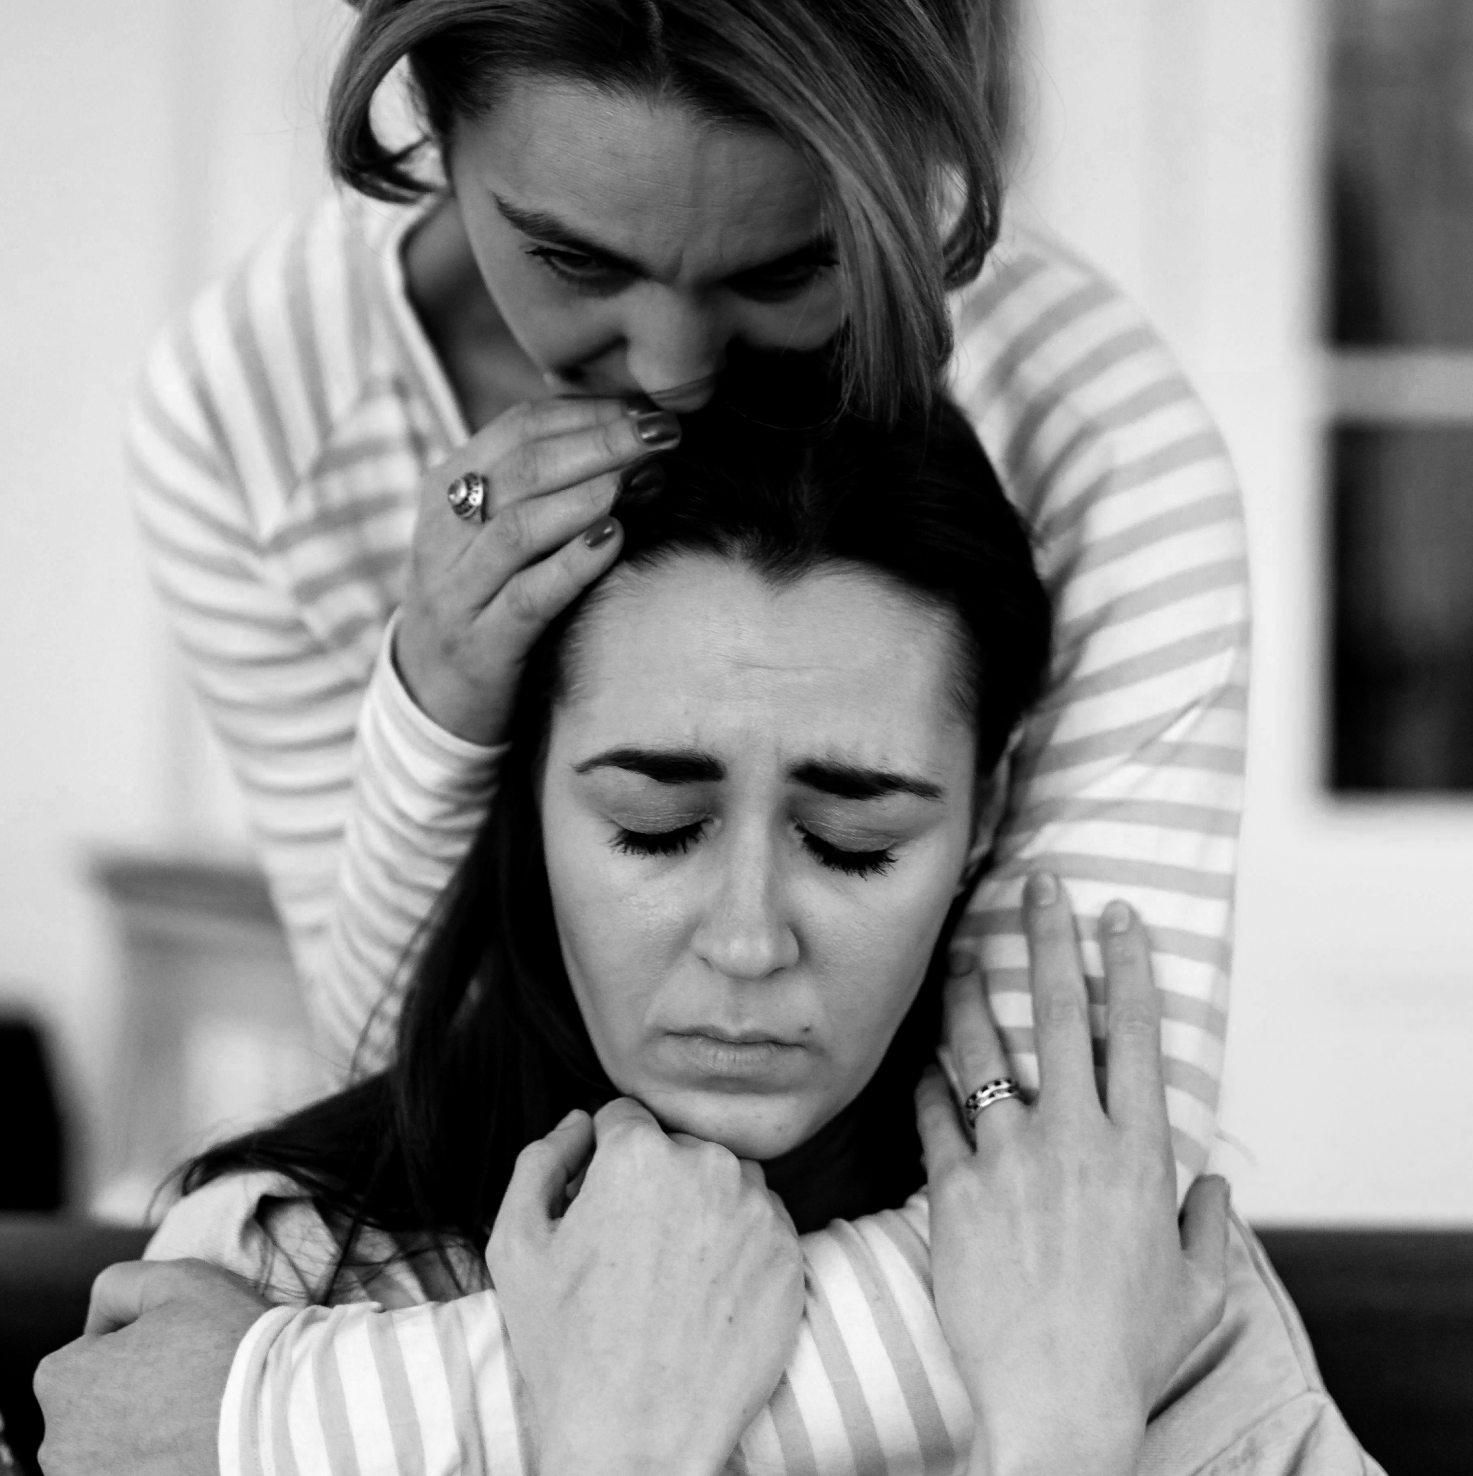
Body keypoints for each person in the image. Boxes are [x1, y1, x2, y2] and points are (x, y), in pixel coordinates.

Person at [65, 0, 1246, 1464]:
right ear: (431, 118)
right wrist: (434, 704)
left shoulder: (1099, 430)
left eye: (786, 263)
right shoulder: (249, 414)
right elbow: (405, 1045)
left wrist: (281, 1414)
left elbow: (1087, 1235)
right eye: (574, 260)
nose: (677, 370)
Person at [44, 399, 1370, 1476]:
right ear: (530, 795)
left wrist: (1062, 1433)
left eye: (853, 843)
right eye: (654, 826)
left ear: (987, 813)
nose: (746, 944)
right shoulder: (282, 1278)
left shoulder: (1121, 1272)